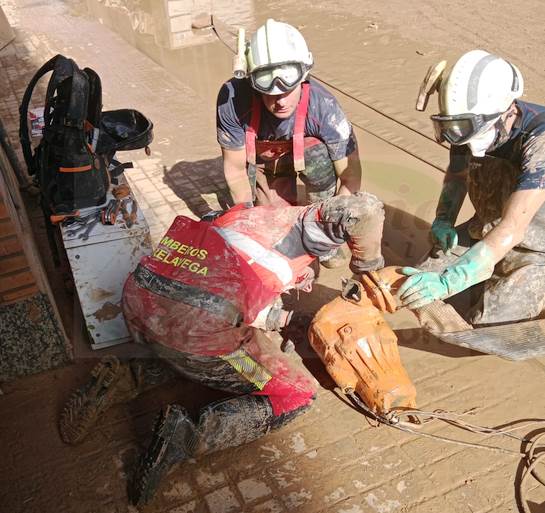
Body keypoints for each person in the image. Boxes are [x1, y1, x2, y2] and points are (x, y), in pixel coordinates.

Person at [59, 192, 385, 506]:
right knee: (294, 392)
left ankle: (122, 377)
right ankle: (186, 435)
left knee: (185, 343)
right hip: (194, 332)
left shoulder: (258, 212)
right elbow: (254, 314)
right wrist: (292, 320)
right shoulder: (278, 264)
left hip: (139, 303)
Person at [398, 50, 545, 326]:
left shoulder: (540, 142)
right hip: (485, 227)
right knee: (412, 286)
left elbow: (512, 228)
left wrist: (452, 279)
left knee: (486, 324)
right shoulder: (463, 122)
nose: (464, 141)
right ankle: (483, 270)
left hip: (537, 250)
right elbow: (457, 174)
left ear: (508, 111)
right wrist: (444, 219)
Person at [216, 19, 362, 210]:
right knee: (270, 218)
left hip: (306, 154)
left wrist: (331, 218)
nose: (281, 101)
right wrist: (247, 218)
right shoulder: (232, 101)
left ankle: (317, 209)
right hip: (262, 160)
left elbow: (350, 177)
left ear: (303, 77)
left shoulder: (325, 108)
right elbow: (235, 169)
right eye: (270, 93)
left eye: (288, 90)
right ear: (252, 82)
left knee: (317, 153)